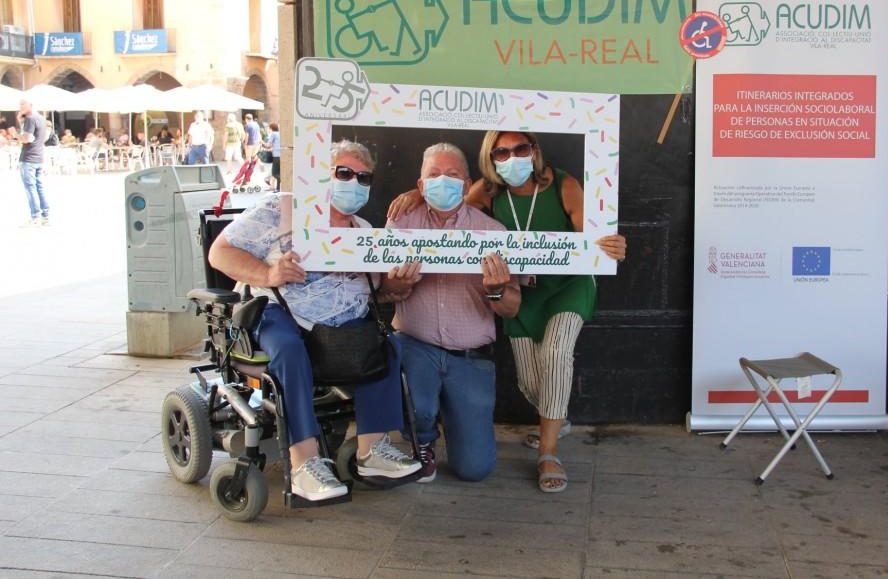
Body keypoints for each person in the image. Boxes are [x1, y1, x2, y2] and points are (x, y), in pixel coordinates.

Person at [389, 131, 626, 493]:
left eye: (520, 148)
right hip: (523, 293)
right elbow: (447, 200)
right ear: (491, 158)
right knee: (531, 382)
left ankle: (548, 452)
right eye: (501, 152)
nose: (512, 157)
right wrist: (415, 193)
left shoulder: (563, 186)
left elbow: (593, 237)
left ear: (534, 150)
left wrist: (609, 246)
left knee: (556, 354)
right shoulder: (487, 191)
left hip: (566, 286)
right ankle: (554, 417)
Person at [208, 139, 421, 501]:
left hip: (340, 325)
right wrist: (268, 272)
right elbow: (220, 253)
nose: (353, 182)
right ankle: (303, 464)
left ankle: (373, 450)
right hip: (278, 311)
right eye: (344, 173)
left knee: (386, 345)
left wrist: (397, 285)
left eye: (363, 177)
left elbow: (379, 291)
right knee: (289, 350)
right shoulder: (281, 207)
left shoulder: (363, 230)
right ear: (322, 175)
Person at [382, 143, 521, 483]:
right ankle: (423, 440)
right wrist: (399, 284)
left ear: (466, 183)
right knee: (418, 405)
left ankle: (457, 429)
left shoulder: (494, 232)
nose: (442, 181)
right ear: (420, 185)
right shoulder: (401, 223)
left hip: (470, 356)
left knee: (475, 469)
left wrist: (496, 289)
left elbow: (511, 307)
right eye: (434, 175)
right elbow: (382, 289)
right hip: (416, 345)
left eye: (452, 174)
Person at [15, 98, 51, 227]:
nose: (20, 107)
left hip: (28, 158)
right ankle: (46, 216)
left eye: (22, 104)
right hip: (39, 157)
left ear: (30, 105)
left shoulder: (30, 118)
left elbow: (28, 138)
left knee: (30, 188)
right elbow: (45, 137)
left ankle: (35, 216)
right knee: (40, 187)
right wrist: (20, 121)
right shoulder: (41, 118)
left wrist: (15, 135)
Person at [267, 122, 281, 191]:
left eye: (268, 128)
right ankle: (278, 188)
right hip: (281, 155)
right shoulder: (279, 133)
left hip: (276, 156)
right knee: (278, 172)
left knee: (274, 173)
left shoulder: (273, 134)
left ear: (271, 128)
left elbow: (268, 145)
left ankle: (279, 183)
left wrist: (262, 143)